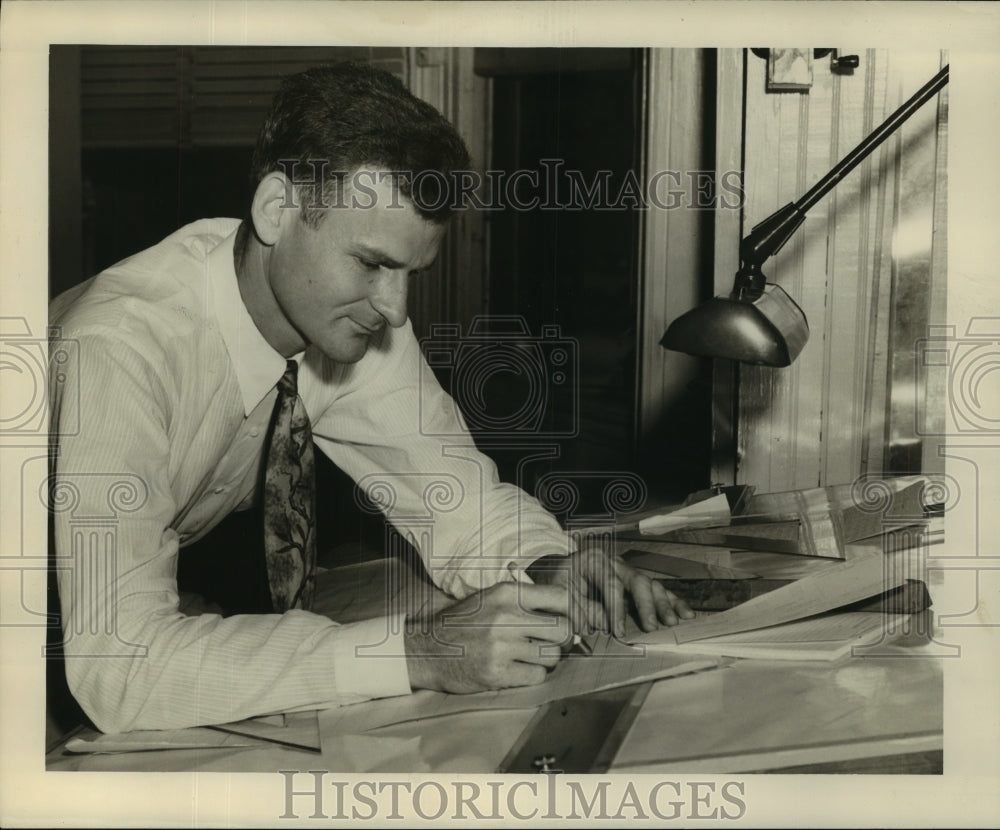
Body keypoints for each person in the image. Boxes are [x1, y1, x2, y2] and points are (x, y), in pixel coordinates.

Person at [48, 62, 692, 734]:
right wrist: (416, 651)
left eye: (410, 272)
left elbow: (454, 496)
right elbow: (118, 666)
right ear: (278, 210)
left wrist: (549, 565)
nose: (393, 309)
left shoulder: (332, 314)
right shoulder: (121, 347)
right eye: (373, 264)